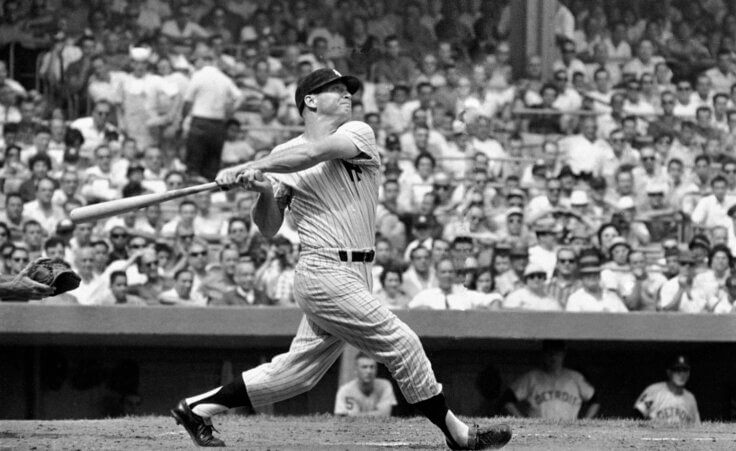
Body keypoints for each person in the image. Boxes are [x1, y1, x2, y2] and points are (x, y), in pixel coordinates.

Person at [171, 68, 512, 450]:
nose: (347, 94)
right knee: (402, 343)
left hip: (358, 272)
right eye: (334, 89)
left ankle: (196, 408)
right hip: (322, 270)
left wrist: (254, 166)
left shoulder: (356, 133)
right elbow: (268, 227)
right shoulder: (283, 158)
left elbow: (313, 153)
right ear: (310, 101)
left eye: (347, 88)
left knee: (297, 374)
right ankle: (458, 435)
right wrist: (263, 190)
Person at [503, 340, 599, 419]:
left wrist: (586, 422)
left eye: (557, 353)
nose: (553, 356)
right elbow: (506, 398)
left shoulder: (575, 377)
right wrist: (521, 420)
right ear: (544, 354)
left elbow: (595, 400)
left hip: (568, 431)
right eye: (549, 353)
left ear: (563, 354)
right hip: (538, 431)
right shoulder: (532, 377)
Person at [634, 355, 700, 424]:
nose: (681, 374)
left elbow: (697, 426)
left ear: (689, 373)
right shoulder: (654, 391)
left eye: (685, 370)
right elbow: (636, 414)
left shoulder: (690, 398)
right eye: (677, 370)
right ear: (669, 372)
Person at [334, 352, 397, 417]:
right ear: (356, 370)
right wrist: (377, 414)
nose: (369, 371)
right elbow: (343, 418)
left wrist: (357, 415)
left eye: (372, 367)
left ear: (376, 369)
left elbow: (385, 414)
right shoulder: (346, 390)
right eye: (364, 367)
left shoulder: (385, 385)